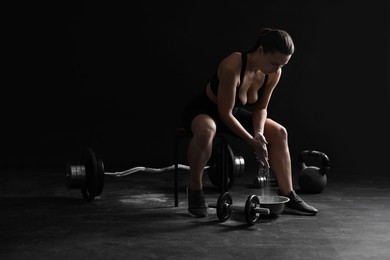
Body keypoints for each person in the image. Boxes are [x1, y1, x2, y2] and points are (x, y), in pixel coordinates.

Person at [182, 27, 318, 217]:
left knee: (279, 132)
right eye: (274, 63)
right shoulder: (233, 66)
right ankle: (195, 188)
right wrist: (252, 142)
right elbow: (225, 113)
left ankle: (288, 195)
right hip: (206, 110)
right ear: (261, 50)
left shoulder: (273, 73)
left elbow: (261, 108)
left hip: (233, 113)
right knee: (207, 130)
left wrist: (259, 133)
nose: (277, 69)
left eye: (282, 65)